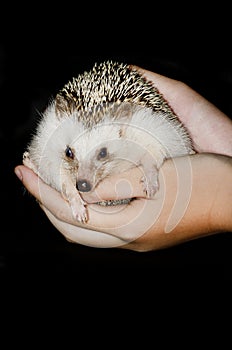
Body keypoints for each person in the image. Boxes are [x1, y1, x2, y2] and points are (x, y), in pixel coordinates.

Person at [14, 65, 232, 252]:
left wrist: (215, 202)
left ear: (124, 129)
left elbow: (164, 145)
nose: (84, 177)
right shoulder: (55, 128)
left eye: (101, 154)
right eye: (71, 154)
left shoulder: (140, 125)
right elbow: (47, 156)